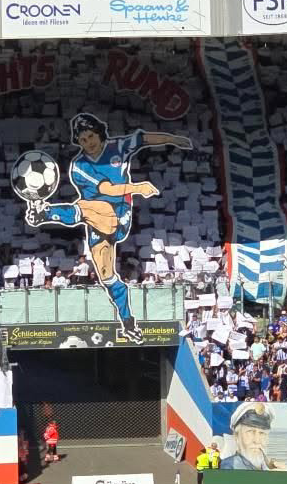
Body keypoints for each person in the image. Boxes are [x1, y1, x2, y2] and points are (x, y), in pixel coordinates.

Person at [24, 112, 192, 344]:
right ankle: (129, 324)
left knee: (87, 208)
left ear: (99, 133)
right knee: (107, 276)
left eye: (90, 136)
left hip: (118, 216)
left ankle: (46, 212)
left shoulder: (119, 147)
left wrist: (173, 139)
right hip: (96, 218)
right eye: (82, 140)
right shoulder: (79, 166)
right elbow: (108, 189)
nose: (88, 143)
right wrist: (138, 187)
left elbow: (144, 139)